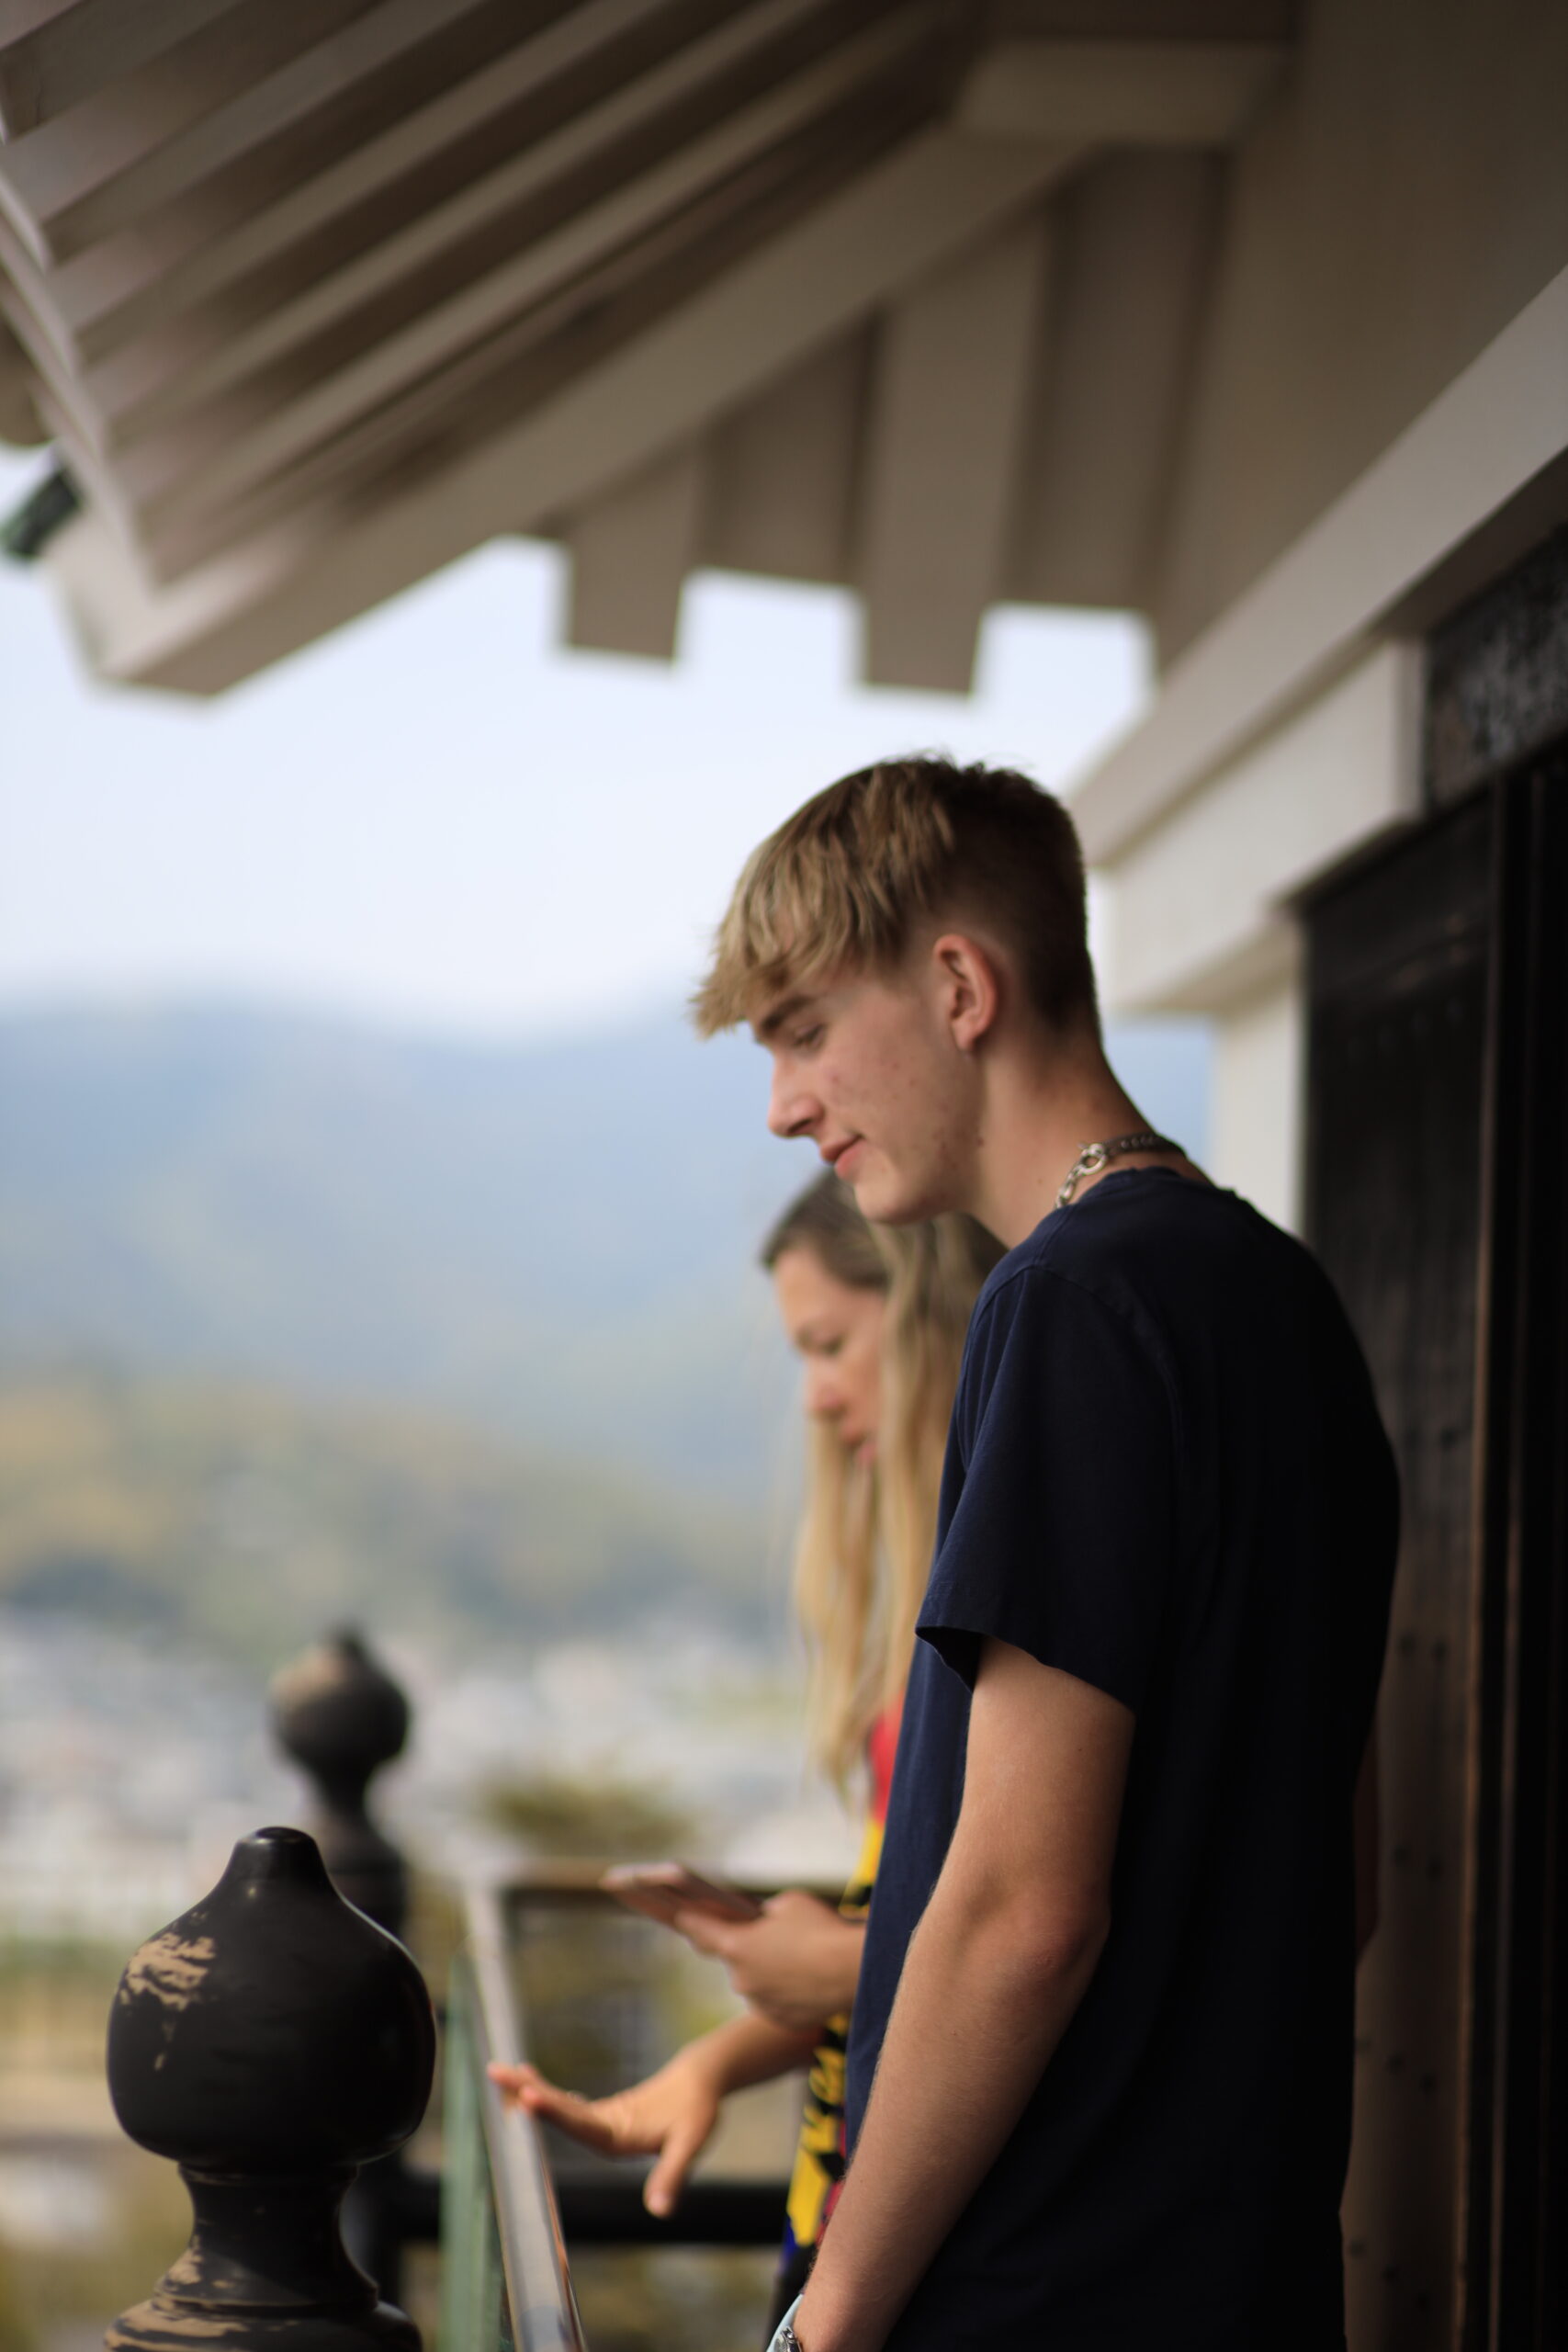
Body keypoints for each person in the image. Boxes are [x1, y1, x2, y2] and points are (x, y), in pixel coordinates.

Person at [692, 755, 1398, 2352]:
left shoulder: (1067, 1303)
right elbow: (1341, 1881)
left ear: (958, 987)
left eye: (802, 1031)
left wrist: (827, 2317)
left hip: (1040, 2299)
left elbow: (1021, 1907)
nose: (784, 1105)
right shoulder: (1288, 1303)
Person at [489, 1171, 999, 2325]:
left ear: (930, 1317)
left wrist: (840, 1965)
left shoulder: (1005, 1623)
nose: (815, 1397)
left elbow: (1017, 1941)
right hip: (855, 2196)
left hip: (929, 2240)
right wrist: (712, 2064)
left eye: (830, 1343)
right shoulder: (933, 1606)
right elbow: (920, 1941)